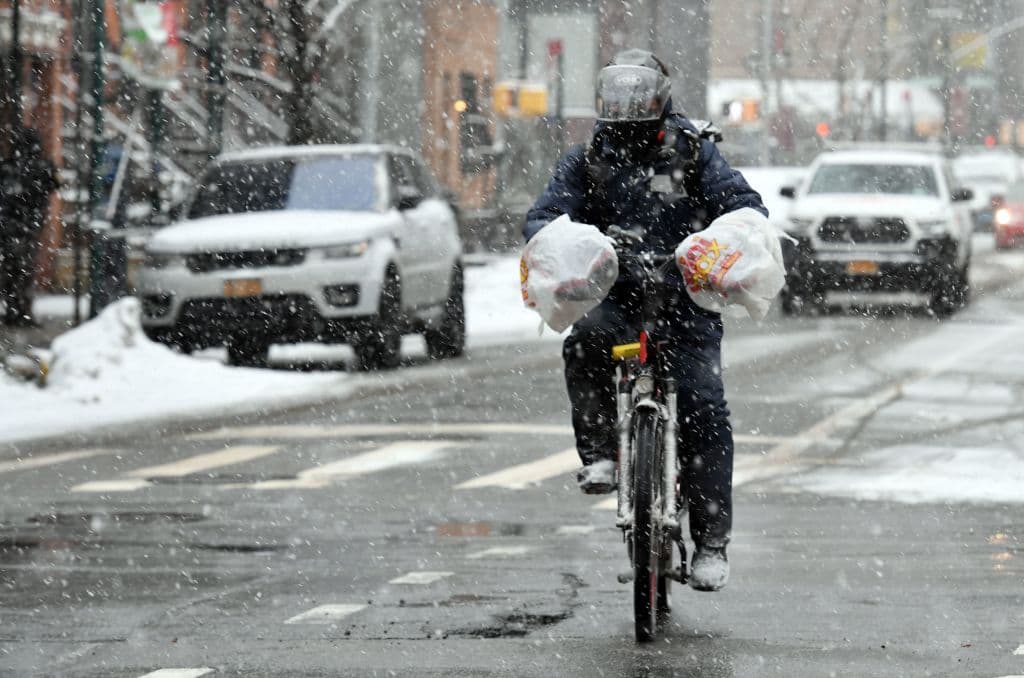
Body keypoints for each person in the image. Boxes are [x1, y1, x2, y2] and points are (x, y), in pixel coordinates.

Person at [524, 49, 767, 591]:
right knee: (585, 341)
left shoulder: (695, 151)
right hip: (616, 293)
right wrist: (582, 245)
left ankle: (709, 542)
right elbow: (544, 216)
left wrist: (713, 243)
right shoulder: (586, 157)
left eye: (638, 96)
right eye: (618, 97)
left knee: (704, 403)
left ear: (659, 98)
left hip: (685, 298)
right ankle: (601, 456)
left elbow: (742, 204)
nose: (627, 108)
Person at [0, 124, 57, 326]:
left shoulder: (9, 167)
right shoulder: (36, 168)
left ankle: (14, 311)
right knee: (22, 272)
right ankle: (19, 312)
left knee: (12, 272)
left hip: (12, 228)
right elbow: (51, 186)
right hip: (25, 228)